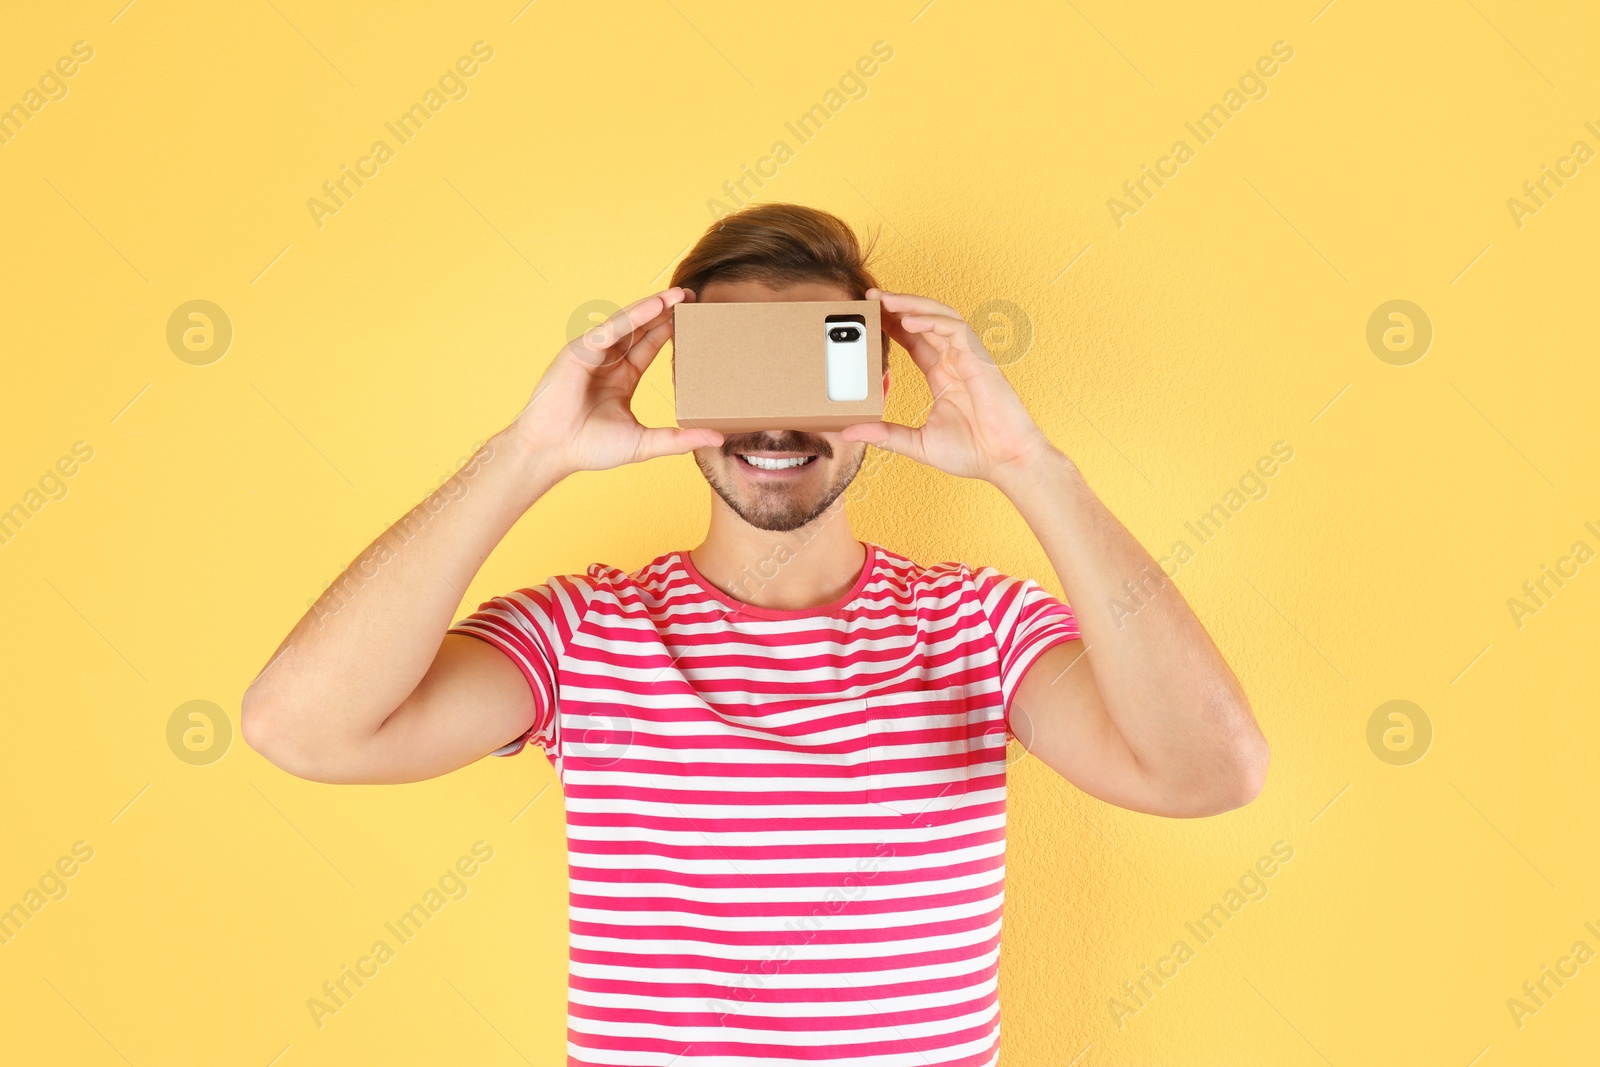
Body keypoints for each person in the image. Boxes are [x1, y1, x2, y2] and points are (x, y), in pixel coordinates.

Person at [242, 203, 1269, 1066]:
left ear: (871, 373)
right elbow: (301, 728)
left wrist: (1029, 464)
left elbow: (1211, 771)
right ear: (685, 377)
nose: (773, 425)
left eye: (814, 361)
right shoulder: (583, 630)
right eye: (740, 366)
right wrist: (527, 453)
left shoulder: (978, 625)